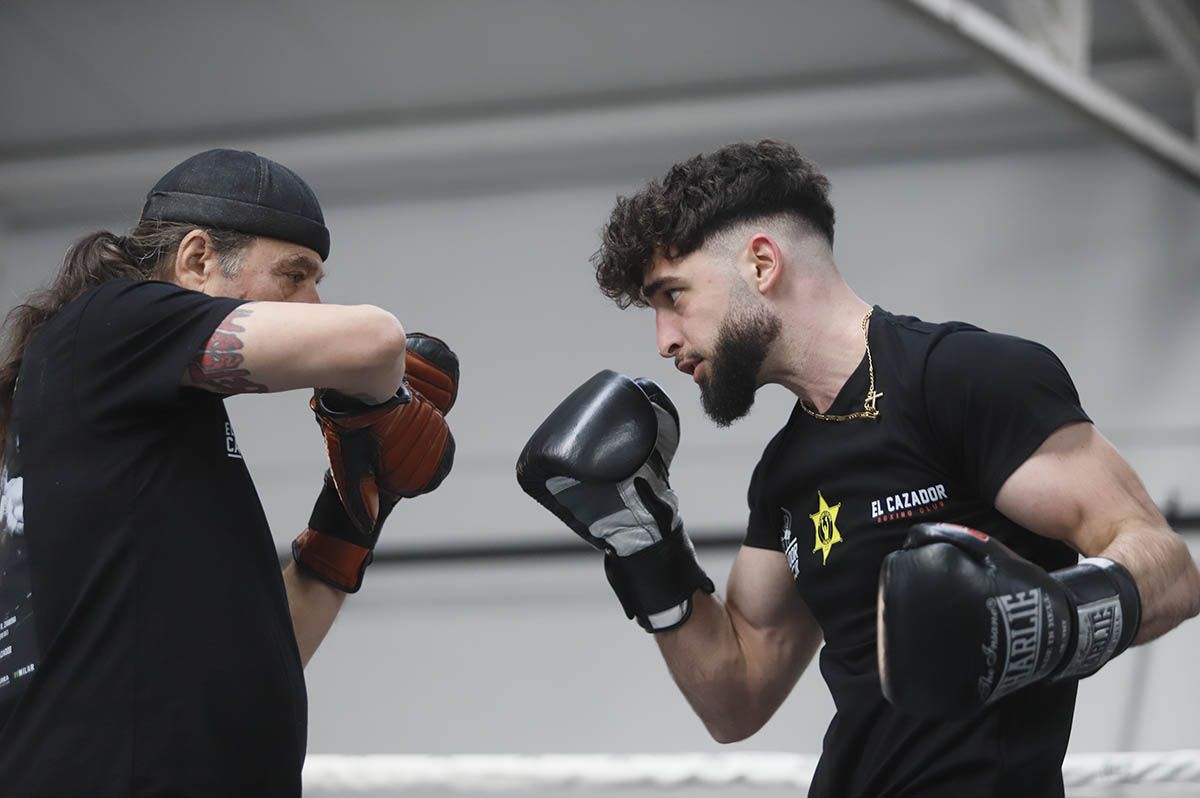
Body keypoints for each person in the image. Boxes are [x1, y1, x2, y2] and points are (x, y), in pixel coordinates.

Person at [517, 140, 1200, 797]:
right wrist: (649, 550)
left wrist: (1044, 624)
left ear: (761, 263)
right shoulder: (785, 471)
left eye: (673, 297)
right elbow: (736, 698)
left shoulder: (962, 379)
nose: (664, 340)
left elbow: (1167, 566)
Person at [0, 149, 457, 796]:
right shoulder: (108, 321)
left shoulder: (152, 434)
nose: (315, 300)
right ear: (196, 260)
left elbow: (272, 657)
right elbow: (377, 341)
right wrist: (373, 404)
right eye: (296, 274)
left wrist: (356, 498)